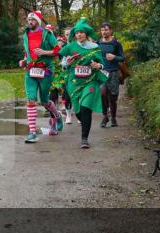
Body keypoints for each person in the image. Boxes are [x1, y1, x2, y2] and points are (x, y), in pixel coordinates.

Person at [58, 19, 107, 149]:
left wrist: (98, 65)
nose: (79, 34)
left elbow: (102, 64)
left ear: (86, 33)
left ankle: (84, 139)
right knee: (78, 111)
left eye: (81, 32)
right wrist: (67, 62)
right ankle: (80, 120)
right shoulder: (69, 47)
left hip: (89, 81)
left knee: (86, 108)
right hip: (73, 82)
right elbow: (62, 63)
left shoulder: (94, 47)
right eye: (77, 33)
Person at [18, 10, 63, 143]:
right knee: (31, 100)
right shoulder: (26, 34)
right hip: (31, 71)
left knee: (44, 101)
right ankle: (32, 132)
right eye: (28, 20)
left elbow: (57, 50)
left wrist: (45, 52)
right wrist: (24, 60)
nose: (30, 22)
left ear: (38, 21)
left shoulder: (47, 34)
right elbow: (28, 52)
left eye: (32, 20)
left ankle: (57, 115)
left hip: (45, 71)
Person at [97, 22, 126, 128]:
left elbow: (122, 57)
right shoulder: (98, 43)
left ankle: (113, 117)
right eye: (102, 30)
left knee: (113, 97)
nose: (104, 32)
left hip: (114, 72)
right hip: (102, 72)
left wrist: (114, 57)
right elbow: (94, 57)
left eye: (106, 29)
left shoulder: (116, 44)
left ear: (111, 31)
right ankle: (105, 116)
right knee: (103, 94)